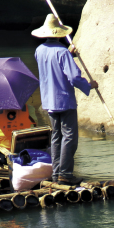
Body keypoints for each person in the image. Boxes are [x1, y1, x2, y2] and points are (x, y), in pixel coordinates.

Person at [32, 14, 98, 186]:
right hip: (64, 100)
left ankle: (56, 173)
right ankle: (66, 174)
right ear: (60, 34)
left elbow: (53, 65)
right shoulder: (62, 52)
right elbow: (74, 77)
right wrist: (89, 85)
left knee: (56, 137)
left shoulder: (39, 50)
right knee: (69, 137)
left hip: (49, 101)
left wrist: (69, 55)